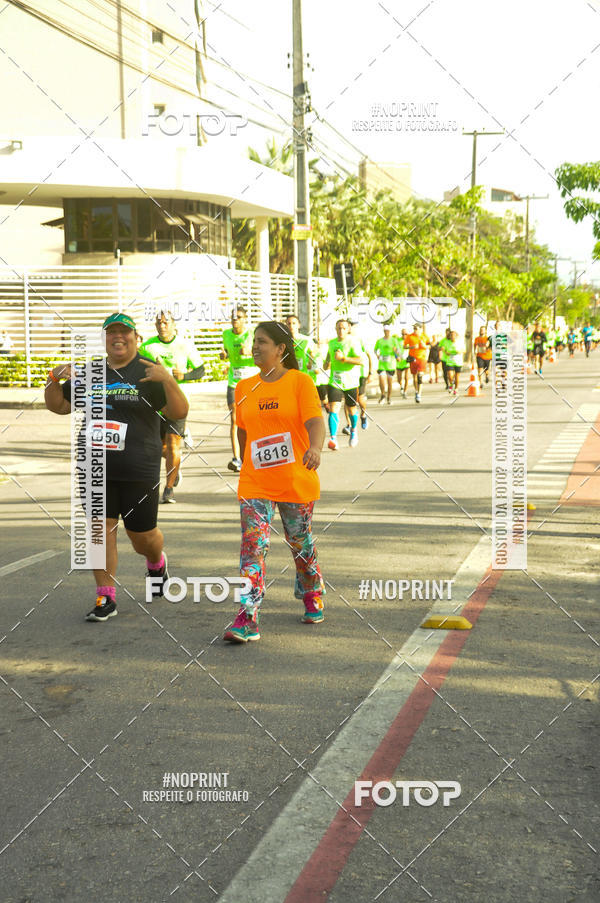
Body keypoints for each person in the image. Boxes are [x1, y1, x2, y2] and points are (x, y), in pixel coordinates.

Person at [44, 312, 189, 621]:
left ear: (136, 337)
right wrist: (54, 380)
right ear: (104, 338)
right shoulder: (91, 372)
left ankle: (156, 562)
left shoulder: (149, 370)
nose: (118, 338)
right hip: (96, 467)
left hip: (140, 467)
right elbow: (59, 406)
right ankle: (105, 597)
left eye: (124, 332)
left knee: (142, 537)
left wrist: (169, 380)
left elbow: (179, 410)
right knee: (100, 528)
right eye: (111, 333)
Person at [223, 320, 326, 643]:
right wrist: (242, 461)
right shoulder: (243, 388)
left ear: (281, 349)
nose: (255, 346)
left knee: (300, 544)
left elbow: (314, 421)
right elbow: (244, 431)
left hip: (295, 477)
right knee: (253, 548)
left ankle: (311, 589)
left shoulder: (299, 381)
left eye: (263, 341)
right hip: (255, 482)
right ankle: (247, 616)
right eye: (254, 341)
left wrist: (315, 448)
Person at [139, 310, 205, 503]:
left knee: (173, 444)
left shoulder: (184, 345)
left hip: (177, 401)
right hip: (155, 402)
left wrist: (184, 376)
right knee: (162, 448)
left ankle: (168, 489)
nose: (162, 325)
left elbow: (201, 369)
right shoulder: (147, 347)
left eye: (166, 322)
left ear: (174, 325)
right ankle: (175, 468)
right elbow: (138, 369)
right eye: (158, 322)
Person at [220, 306, 257, 472]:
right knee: (235, 420)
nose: (235, 320)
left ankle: (253, 454)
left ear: (245, 319)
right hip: (234, 383)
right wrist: (224, 355)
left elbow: (262, 354)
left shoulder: (253, 334)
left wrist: (249, 352)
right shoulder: (226, 334)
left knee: (252, 420)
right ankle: (237, 458)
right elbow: (227, 351)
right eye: (233, 317)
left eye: (239, 317)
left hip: (252, 382)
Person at [324, 319, 363, 448]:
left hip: (350, 382)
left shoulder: (353, 342)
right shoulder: (331, 343)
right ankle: (333, 439)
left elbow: (360, 360)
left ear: (348, 329)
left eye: (343, 328)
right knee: (333, 408)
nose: (341, 330)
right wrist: (325, 364)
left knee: (351, 409)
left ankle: (353, 430)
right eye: (339, 328)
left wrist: (344, 359)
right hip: (335, 382)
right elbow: (328, 359)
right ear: (335, 329)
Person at [404, 323, 429, 403]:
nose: (415, 330)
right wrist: (411, 347)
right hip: (413, 358)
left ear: (420, 329)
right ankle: (416, 391)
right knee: (414, 377)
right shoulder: (410, 336)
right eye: (414, 328)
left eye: (416, 328)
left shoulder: (424, 336)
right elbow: (404, 346)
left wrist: (424, 346)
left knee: (420, 376)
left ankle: (419, 394)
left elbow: (430, 345)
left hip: (422, 358)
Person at [374, 324, 397, 404]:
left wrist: (396, 352)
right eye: (385, 331)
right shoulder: (380, 341)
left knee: (389, 382)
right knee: (381, 379)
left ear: (389, 331)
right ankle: (383, 394)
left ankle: (389, 397)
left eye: (388, 331)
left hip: (391, 364)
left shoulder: (393, 340)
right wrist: (377, 355)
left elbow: (398, 351)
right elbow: (375, 349)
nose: (386, 332)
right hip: (382, 364)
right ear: (383, 331)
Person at [445, 331, 464, 395]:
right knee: (450, 376)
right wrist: (446, 352)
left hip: (458, 361)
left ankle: (456, 388)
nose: (452, 336)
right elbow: (445, 350)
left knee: (456, 376)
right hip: (450, 361)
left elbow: (464, 350)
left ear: (456, 336)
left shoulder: (460, 342)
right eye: (451, 335)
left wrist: (459, 351)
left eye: (453, 335)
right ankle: (451, 383)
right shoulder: (447, 343)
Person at [394, 328, 410, 398]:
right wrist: (396, 356)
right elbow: (394, 350)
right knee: (399, 379)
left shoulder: (409, 341)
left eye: (405, 334)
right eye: (403, 334)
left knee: (407, 378)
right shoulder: (397, 340)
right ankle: (402, 387)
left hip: (406, 362)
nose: (404, 335)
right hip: (399, 362)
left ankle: (405, 392)